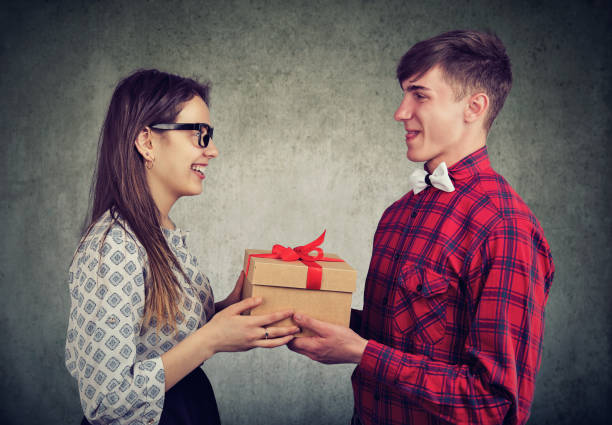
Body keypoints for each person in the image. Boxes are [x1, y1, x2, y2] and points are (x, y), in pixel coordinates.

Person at [289, 30, 555, 425]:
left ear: (474, 107)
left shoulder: (505, 227)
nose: (400, 112)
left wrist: (361, 353)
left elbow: (494, 405)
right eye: (404, 94)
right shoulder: (398, 214)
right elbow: (398, 339)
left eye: (420, 95)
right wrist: (306, 315)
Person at [65, 69, 299, 425]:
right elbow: (107, 402)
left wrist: (223, 311)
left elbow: (157, 337)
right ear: (146, 142)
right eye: (200, 135)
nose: (213, 150)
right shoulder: (112, 246)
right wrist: (211, 339)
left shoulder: (160, 232)